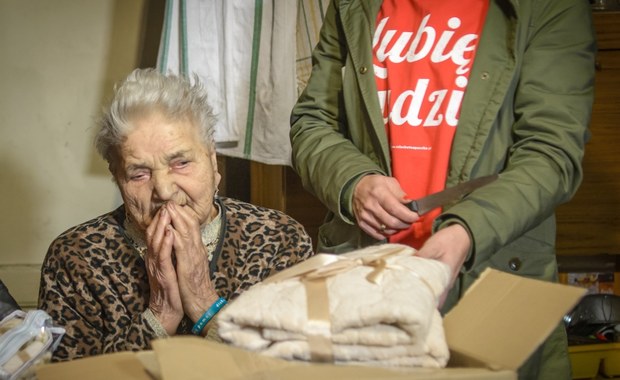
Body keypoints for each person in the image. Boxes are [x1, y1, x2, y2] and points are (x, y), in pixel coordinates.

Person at [290, 1, 595, 379]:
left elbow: (552, 153)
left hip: (491, 282)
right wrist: (354, 181)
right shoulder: (353, 5)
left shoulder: (551, 6)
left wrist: (466, 231)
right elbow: (312, 121)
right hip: (363, 278)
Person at [38, 68, 314, 361]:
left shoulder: (278, 240)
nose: (165, 191)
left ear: (212, 160)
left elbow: (297, 368)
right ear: (116, 176)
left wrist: (203, 301)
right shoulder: (75, 257)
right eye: (139, 173)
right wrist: (160, 315)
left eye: (180, 163)